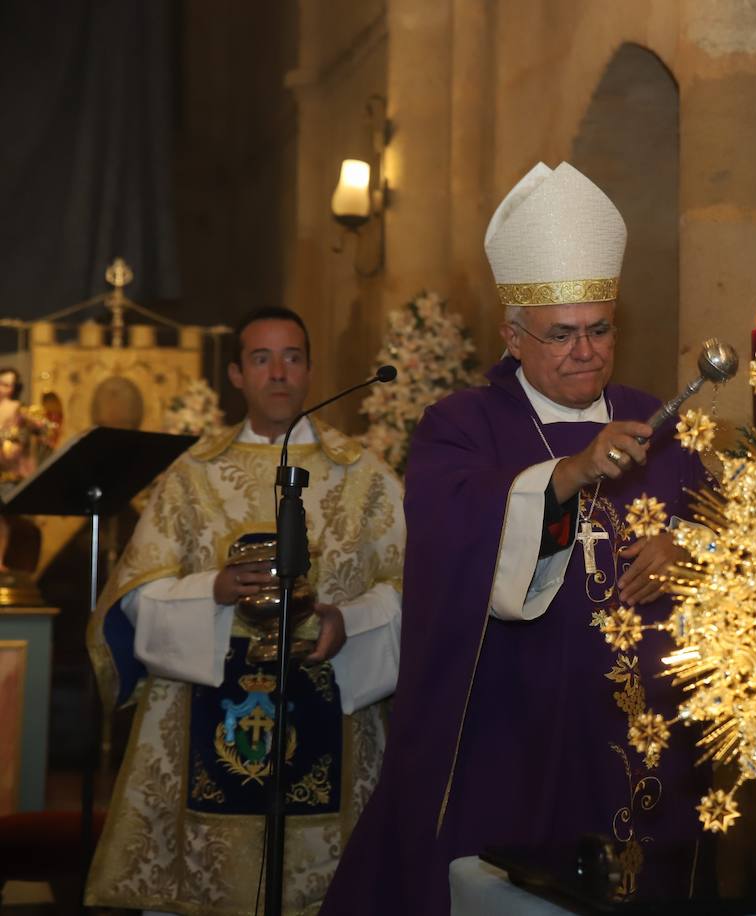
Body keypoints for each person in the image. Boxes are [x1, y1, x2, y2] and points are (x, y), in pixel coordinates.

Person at [322, 163, 710, 915]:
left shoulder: (656, 422)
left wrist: (689, 551)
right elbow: (450, 543)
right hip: (508, 727)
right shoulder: (461, 425)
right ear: (513, 336)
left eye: (600, 330)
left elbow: (727, 530)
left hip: (638, 736)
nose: (585, 351)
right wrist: (570, 472)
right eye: (561, 334)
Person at [86, 307, 405, 915]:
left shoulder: (364, 476)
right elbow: (134, 597)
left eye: (291, 357)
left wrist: (350, 622)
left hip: (331, 708)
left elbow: (412, 587)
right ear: (237, 374)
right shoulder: (191, 476)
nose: (278, 373)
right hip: (207, 718)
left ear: (310, 369)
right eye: (262, 359)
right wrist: (213, 590)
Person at [0, 367, 55, 569]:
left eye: (8, 385)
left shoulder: (19, 409)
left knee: (5, 519)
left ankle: (2, 560)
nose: (4, 389)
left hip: (9, 473)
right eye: (1, 383)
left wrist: (37, 428)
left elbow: (44, 428)